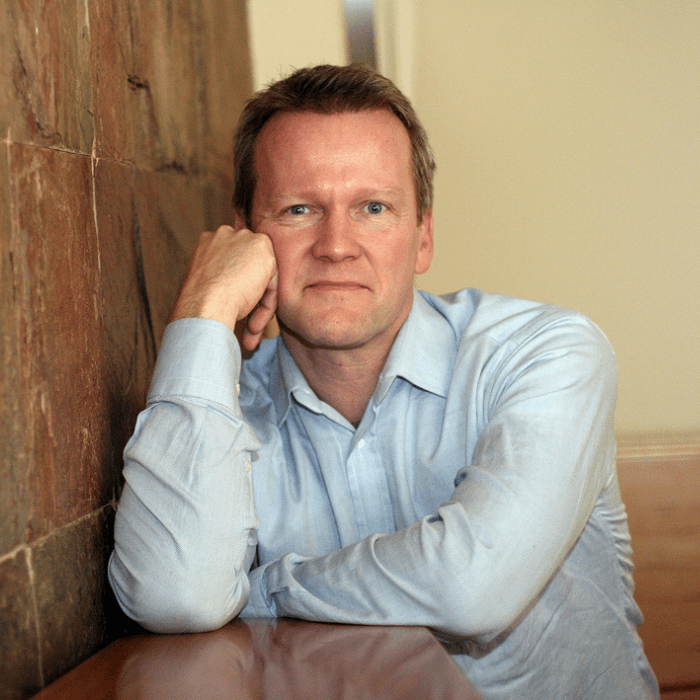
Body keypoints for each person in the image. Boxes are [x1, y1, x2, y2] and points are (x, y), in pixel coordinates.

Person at [109, 64, 659, 699]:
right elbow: (175, 595)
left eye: (373, 208)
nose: (336, 245)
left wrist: (261, 590)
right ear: (247, 239)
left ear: (423, 237)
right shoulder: (224, 409)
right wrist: (204, 312)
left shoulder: (544, 354)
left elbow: (473, 587)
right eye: (299, 209)